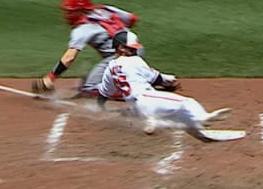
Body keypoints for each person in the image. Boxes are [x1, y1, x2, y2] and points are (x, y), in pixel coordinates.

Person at [32, 0, 175, 97]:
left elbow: (69, 57)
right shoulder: (105, 9)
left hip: (119, 56)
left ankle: (133, 91)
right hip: (137, 47)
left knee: (89, 88)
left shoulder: (82, 29)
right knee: (103, 73)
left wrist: (50, 78)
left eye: (71, 12)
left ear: (81, 11)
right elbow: (132, 18)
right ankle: (161, 78)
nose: (67, 15)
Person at [98, 30, 229, 138]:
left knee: (176, 114)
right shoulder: (135, 60)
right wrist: (169, 83)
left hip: (136, 107)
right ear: (121, 48)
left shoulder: (110, 67)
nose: (135, 51)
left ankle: (153, 120)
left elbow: (104, 92)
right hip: (147, 99)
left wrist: (100, 107)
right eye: (131, 49)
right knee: (188, 103)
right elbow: (156, 79)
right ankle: (203, 117)